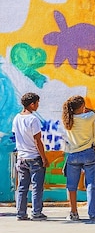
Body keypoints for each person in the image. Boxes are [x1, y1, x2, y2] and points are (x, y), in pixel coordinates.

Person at [61, 95, 95, 221]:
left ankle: (73, 213)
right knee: (91, 184)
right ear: (82, 107)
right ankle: (93, 213)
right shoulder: (89, 117)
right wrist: (86, 108)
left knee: (71, 186)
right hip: (88, 153)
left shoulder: (67, 120)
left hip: (73, 154)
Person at [13, 92, 48, 221]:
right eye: (37, 103)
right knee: (37, 187)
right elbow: (37, 140)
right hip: (34, 157)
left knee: (22, 187)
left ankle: (21, 213)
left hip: (21, 157)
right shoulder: (33, 119)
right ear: (32, 104)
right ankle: (36, 212)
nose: (38, 105)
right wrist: (44, 158)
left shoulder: (17, 118)